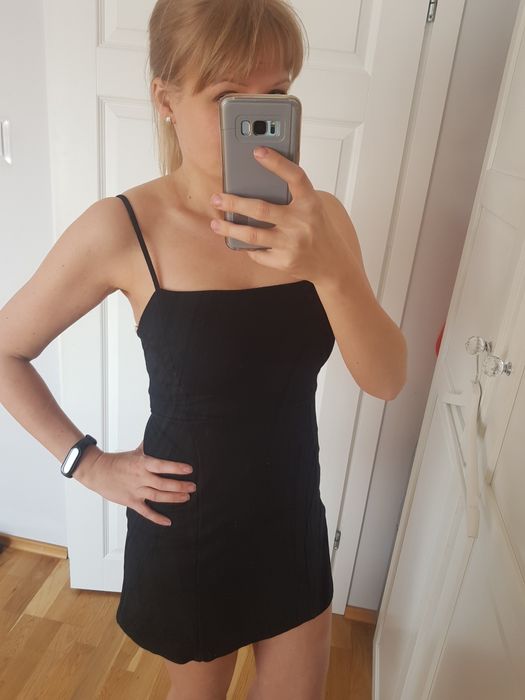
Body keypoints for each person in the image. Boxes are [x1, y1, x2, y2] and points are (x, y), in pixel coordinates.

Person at [0, 1, 407, 699]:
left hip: (290, 517)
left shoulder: (322, 222)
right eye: (227, 96)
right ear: (165, 99)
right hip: (187, 527)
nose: (256, 119)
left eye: (276, 93)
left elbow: (387, 379)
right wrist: (87, 463)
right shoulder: (124, 227)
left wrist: (331, 270)